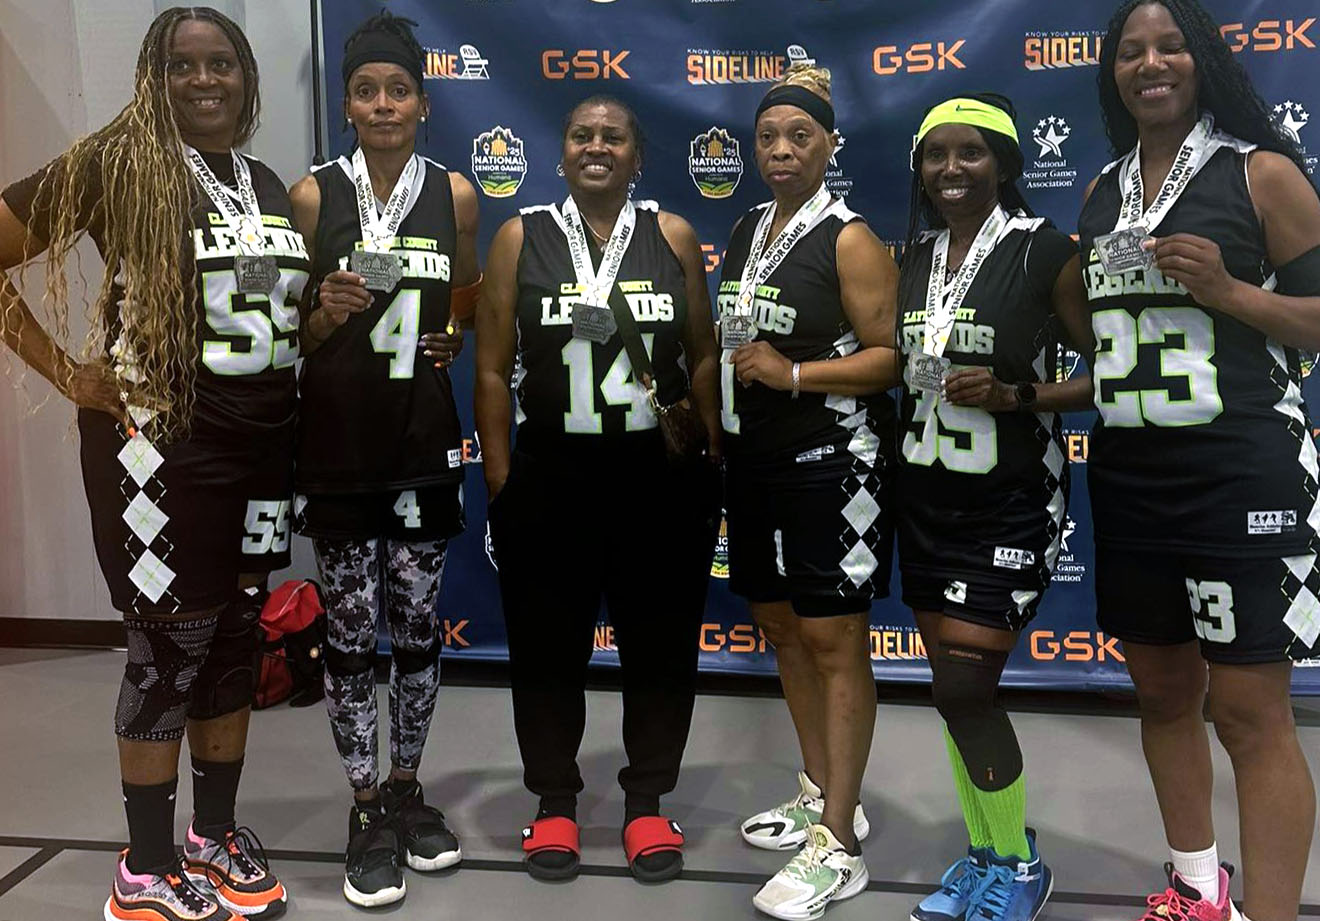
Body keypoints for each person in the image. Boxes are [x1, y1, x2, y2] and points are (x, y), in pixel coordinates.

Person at [0, 8, 303, 920]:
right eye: (182, 65)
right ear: (151, 77)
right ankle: (142, 866)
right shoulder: (113, 165)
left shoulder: (264, 182)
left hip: (259, 449)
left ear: (246, 78)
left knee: (238, 638)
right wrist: (72, 376)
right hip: (159, 450)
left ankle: (210, 835)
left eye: (221, 64)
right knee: (170, 647)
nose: (204, 80)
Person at [1078, 3, 1320, 921]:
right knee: (1160, 696)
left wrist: (1229, 289)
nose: (1149, 63)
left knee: (1247, 715)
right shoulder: (1099, 191)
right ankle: (1198, 891)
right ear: (1112, 73)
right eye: (1131, 51)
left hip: (1242, 475)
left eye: (1168, 46)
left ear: (1201, 62)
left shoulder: (1259, 173)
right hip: (1130, 479)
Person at [474, 94, 721, 885]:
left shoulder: (672, 235)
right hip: (553, 475)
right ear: (562, 151)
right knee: (547, 650)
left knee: (660, 644)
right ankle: (553, 799)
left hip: (657, 481)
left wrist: (709, 452)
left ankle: (647, 797)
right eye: (581, 133)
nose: (596, 146)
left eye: (613, 137)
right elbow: (487, 366)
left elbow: (702, 353)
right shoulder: (521, 236)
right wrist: (503, 477)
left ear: (635, 157)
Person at [287, 11, 481, 909]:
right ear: (346, 104)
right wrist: (324, 310)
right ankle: (363, 805)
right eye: (365, 89)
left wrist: (449, 337)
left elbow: (468, 301)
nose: (382, 103)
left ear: (422, 102)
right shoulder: (312, 194)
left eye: (396, 88)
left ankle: (406, 786)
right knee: (350, 637)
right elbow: (286, 331)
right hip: (337, 445)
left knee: (415, 630)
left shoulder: (459, 193)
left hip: (421, 442)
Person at [895, 93, 1094, 921]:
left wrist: (1021, 393)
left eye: (970, 152)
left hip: (1011, 501)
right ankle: (983, 852)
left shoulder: (1046, 252)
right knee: (950, 687)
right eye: (935, 154)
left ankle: (1016, 863)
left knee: (964, 691)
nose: (950, 169)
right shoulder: (909, 258)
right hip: (924, 501)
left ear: (1005, 164)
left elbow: (1111, 370)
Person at [722, 65, 899, 920]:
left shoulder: (849, 235)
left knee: (834, 641)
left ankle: (840, 843)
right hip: (755, 462)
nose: (781, 150)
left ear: (830, 144)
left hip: (833, 460)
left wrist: (790, 373)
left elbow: (886, 356)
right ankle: (821, 790)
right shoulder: (749, 227)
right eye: (768, 137)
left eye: (799, 136)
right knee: (781, 627)